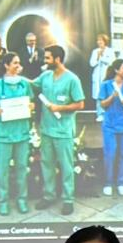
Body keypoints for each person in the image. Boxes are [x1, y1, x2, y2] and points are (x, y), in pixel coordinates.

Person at [32, 44, 84, 215]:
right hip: (46, 130)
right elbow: (32, 84)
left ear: (57, 59)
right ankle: (49, 196)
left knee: (66, 166)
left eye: (47, 58)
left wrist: (60, 108)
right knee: (46, 164)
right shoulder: (45, 76)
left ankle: (68, 200)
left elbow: (80, 104)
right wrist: (14, 77)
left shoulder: (72, 79)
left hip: (63, 132)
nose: (44, 61)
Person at [0, 52, 33, 216]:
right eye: (15, 63)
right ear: (6, 65)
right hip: (4, 134)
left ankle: (22, 200)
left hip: (22, 133)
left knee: (21, 168)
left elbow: (31, 102)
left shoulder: (25, 84)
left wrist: (31, 107)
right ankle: (3, 201)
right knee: (3, 170)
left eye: (19, 63)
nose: (18, 66)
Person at [98, 59, 123, 197]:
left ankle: (121, 183)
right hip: (110, 126)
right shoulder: (106, 85)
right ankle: (108, 183)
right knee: (110, 154)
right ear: (117, 70)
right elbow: (103, 105)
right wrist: (113, 96)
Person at [89, 34, 113, 120]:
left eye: (101, 40)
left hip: (106, 75)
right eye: (98, 40)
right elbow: (92, 64)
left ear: (105, 42)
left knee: (107, 94)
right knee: (98, 95)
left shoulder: (110, 51)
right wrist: (98, 56)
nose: (99, 42)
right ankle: (100, 114)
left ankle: (108, 113)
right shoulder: (95, 51)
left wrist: (102, 57)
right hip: (96, 76)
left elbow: (111, 62)